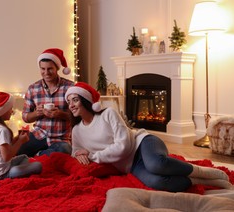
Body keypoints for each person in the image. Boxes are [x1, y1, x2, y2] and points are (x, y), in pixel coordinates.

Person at [65, 82, 233, 192]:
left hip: (141, 143)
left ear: (86, 101)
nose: (71, 105)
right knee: (158, 183)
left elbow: (123, 144)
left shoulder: (108, 114)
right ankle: (197, 180)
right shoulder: (77, 131)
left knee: (156, 164)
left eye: (75, 100)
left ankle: (207, 172)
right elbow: (77, 153)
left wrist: (94, 155)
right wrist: (80, 154)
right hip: (130, 165)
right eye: (69, 102)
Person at [17, 48, 75, 157]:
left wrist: (61, 114)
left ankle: (38, 156)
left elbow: (79, 117)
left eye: (50, 69)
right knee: (16, 150)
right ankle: (43, 157)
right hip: (38, 135)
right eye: (43, 69)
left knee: (65, 149)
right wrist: (36, 114)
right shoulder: (33, 89)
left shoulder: (70, 87)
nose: (46, 73)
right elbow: (25, 117)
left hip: (60, 138)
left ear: (57, 68)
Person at [0, 92, 42, 179]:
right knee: (38, 166)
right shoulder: (2, 130)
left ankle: (19, 171)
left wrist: (17, 138)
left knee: (23, 157)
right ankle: (15, 173)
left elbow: (3, 146)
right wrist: (20, 141)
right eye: (10, 109)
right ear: (2, 111)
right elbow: (6, 157)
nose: (12, 111)